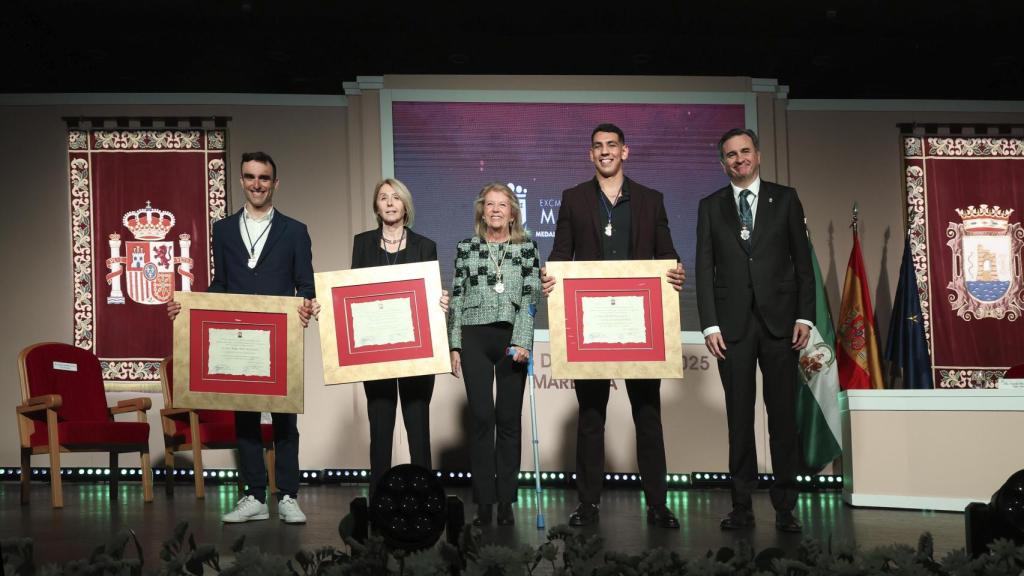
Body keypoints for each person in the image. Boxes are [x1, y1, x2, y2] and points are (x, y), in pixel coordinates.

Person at [542, 123, 685, 529]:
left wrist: (677, 271)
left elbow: (668, 254)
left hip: (640, 325)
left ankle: (657, 504)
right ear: (590, 155)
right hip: (591, 328)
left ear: (625, 151)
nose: (605, 152)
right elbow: (560, 254)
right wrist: (550, 276)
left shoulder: (651, 200)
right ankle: (587, 505)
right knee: (590, 417)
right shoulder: (573, 199)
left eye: (612, 146)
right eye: (598, 147)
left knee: (648, 415)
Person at [168, 151, 316, 525]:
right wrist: (189, 308)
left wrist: (304, 306)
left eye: (264, 178)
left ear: (275, 183)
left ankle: (288, 496)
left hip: (279, 336)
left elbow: (307, 284)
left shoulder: (295, 230)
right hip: (238, 337)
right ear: (240, 180)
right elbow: (221, 284)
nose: (257, 184)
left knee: (285, 420)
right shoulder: (223, 229)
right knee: (245, 417)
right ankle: (254, 496)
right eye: (250, 177)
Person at [695, 128, 814, 534]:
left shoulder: (785, 198)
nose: (739, 159)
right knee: (739, 421)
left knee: (782, 420)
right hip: (732, 329)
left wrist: (805, 316)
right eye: (730, 154)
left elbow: (803, 264)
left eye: (745, 151)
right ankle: (742, 506)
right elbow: (704, 268)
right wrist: (709, 322)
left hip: (782, 325)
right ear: (722, 161)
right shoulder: (710, 206)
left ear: (758, 155)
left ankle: (785, 508)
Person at [448, 182, 541, 526]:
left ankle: (506, 501)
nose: (496, 210)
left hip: (510, 340)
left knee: (508, 421)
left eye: (503, 205)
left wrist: (523, 341)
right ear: (482, 210)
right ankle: (484, 501)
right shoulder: (466, 247)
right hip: (474, 336)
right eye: (490, 204)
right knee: (483, 419)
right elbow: (456, 297)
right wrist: (454, 344)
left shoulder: (528, 248)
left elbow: (532, 297)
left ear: (513, 211)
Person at [350, 179, 443, 501]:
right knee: (380, 432)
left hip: (415, 354)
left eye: (396, 198)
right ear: (377, 207)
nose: (390, 203)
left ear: (406, 205)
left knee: (418, 431)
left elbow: (429, 297)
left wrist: (438, 301)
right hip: (376, 355)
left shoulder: (425, 246)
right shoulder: (362, 244)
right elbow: (353, 295)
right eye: (383, 198)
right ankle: (379, 502)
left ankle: (426, 501)